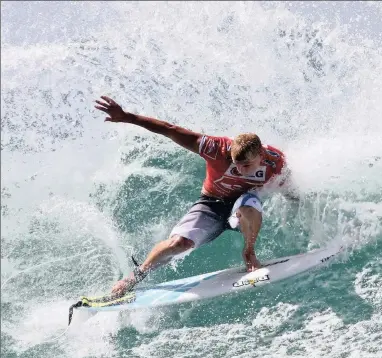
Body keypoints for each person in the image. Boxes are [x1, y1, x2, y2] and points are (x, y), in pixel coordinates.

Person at [94, 95, 294, 296]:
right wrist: (126, 117)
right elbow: (170, 130)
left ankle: (249, 252)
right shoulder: (215, 148)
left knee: (247, 205)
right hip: (211, 205)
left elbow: (290, 191)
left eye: (246, 166)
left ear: (260, 154)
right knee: (178, 243)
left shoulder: (276, 162)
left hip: (243, 206)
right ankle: (136, 275)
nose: (240, 170)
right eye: (236, 164)